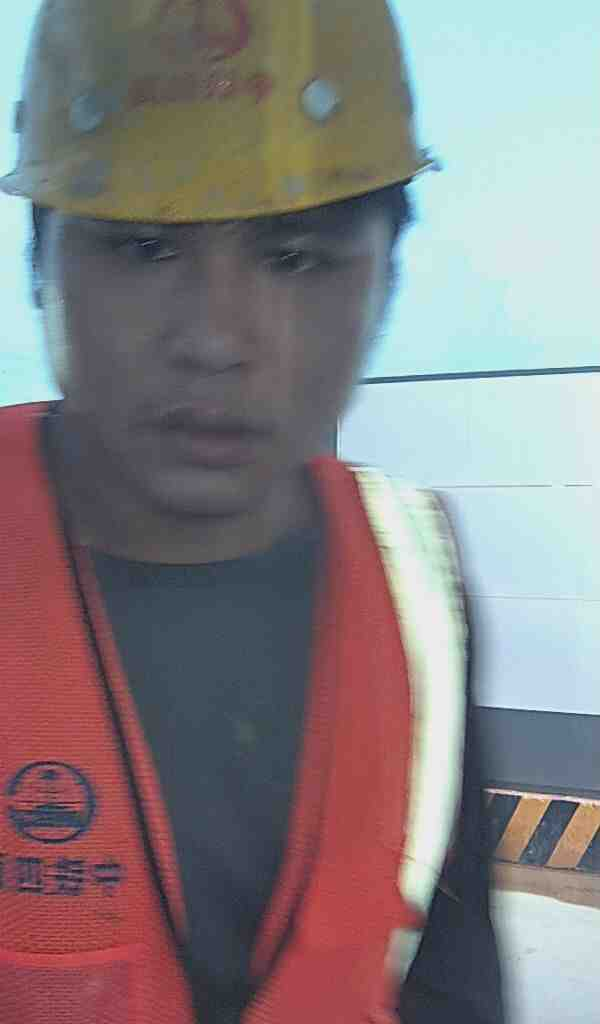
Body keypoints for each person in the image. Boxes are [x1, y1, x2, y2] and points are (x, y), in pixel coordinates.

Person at [0, 1, 504, 1021]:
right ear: (39, 266)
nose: (215, 340)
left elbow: (454, 987)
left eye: (295, 257)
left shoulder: (419, 580)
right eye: (143, 250)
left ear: (387, 282)